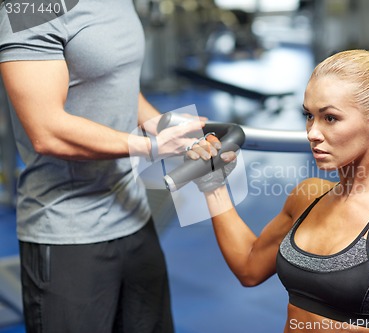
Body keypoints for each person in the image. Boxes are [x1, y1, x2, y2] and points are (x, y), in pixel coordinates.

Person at [187, 49, 369, 332]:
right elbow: (248, 268)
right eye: (309, 116)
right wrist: (214, 185)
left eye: (330, 118)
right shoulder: (308, 196)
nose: (312, 133)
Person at [0, 1, 216, 332]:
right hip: (68, 230)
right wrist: (148, 147)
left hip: (133, 216)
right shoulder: (30, 8)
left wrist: (163, 125)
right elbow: (47, 131)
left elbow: (119, 82)